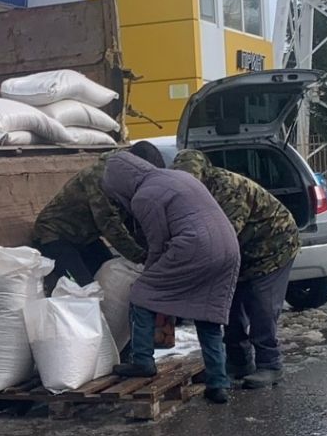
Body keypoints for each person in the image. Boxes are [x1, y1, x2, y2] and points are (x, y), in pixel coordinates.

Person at [101, 150, 241, 404]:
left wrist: (149, 272)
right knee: (207, 314)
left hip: (193, 247)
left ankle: (142, 360)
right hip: (228, 246)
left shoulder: (144, 196)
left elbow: (158, 242)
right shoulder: (175, 176)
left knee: (142, 295)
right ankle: (218, 383)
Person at [172, 150, 301, 388]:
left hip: (273, 245)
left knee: (261, 306)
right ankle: (239, 363)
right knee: (230, 307)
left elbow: (226, 234)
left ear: (204, 174)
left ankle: (270, 365)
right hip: (240, 253)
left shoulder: (227, 188)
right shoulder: (189, 194)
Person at [29, 141, 163, 288]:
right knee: (84, 288)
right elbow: (109, 224)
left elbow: (132, 219)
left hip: (84, 236)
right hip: (55, 235)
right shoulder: (102, 176)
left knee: (109, 272)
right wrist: (141, 257)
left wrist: (151, 251)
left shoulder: (128, 178)